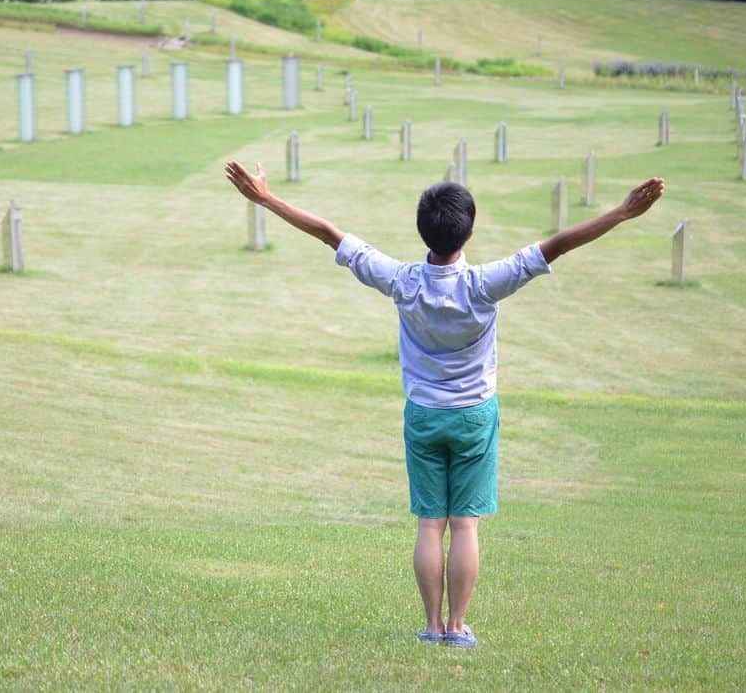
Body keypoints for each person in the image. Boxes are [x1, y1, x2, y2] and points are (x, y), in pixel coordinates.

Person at [224, 160, 665, 648]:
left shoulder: (401, 281)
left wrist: (266, 198)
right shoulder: (485, 285)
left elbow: (331, 234)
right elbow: (557, 244)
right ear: (469, 232)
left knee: (430, 524)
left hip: (423, 416)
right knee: (465, 525)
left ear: (422, 231)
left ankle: (431, 627)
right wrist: (622, 212)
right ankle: (457, 628)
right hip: (475, 416)